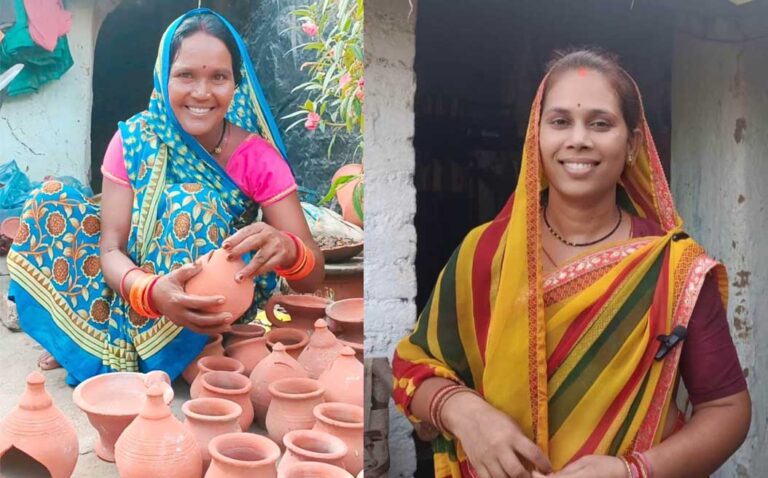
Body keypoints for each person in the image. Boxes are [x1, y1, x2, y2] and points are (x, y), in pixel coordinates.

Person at [392, 49, 750, 478]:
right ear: (536, 136)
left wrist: (632, 472)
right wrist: (463, 411)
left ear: (633, 143)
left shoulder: (675, 269)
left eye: (600, 123)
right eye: (560, 121)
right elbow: (413, 366)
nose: (578, 138)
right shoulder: (484, 253)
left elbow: (727, 408)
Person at [7, 8, 323, 385]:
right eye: (185, 75)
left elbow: (313, 277)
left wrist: (288, 248)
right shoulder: (134, 140)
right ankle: (93, 341)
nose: (202, 93)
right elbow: (110, 249)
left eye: (218, 77)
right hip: (134, 287)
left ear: (236, 84)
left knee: (190, 203)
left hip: (204, 302)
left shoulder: (257, 159)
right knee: (50, 199)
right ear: (162, 77)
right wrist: (151, 291)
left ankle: (184, 347)